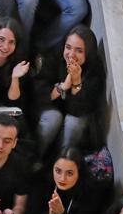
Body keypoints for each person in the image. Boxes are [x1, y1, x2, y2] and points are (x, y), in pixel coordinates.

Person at [34, 26, 105, 154]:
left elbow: (79, 110)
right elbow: (40, 94)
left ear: (88, 52)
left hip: (76, 113)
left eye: (79, 50)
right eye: (68, 47)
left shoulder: (95, 70)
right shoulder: (55, 56)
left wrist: (76, 82)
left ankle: (63, 161)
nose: (71, 54)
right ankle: (35, 157)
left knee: (74, 123)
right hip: (53, 107)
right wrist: (64, 86)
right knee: (53, 119)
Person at [26, 150, 103, 214]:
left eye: (69, 173)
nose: (62, 178)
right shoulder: (42, 180)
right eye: (58, 171)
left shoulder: (90, 192)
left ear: (79, 173)